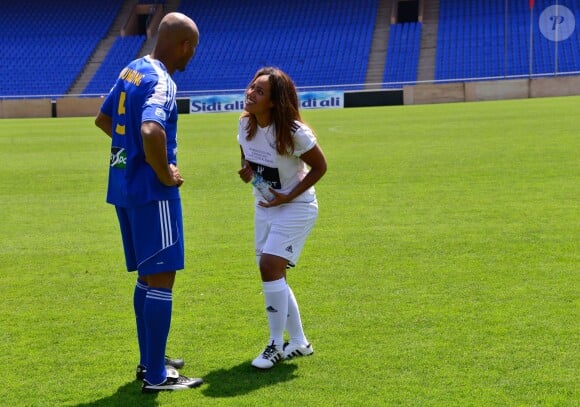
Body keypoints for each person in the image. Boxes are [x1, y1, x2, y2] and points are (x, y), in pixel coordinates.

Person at [94, 12, 202, 392]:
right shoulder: (163, 82)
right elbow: (151, 129)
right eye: (194, 48)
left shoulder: (132, 70)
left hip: (123, 188)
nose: (192, 56)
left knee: (146, 277)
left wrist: (132, 156)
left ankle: (149, 361)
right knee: (162, 278)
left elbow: (103, 119)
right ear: (184, 45)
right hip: (152, 193)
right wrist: (162, 172)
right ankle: (157, 377)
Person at [237, 67, 328, 369]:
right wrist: (249, 176)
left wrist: (288, 196)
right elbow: (249, 162)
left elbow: (320, 167)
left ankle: (275, 344)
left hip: (297, 206)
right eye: (252, 87)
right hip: (265, 206)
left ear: (275, 102)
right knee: (274, 273)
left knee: (269, 266)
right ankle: (299, 342)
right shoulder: (244, 125)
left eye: (260, 91)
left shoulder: (293, 132)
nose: (251, 93)